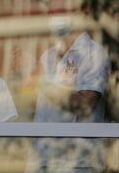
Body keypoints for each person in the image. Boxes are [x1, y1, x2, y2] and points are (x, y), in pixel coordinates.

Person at [27, 16, 111, 173]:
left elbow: (85, 105)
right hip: (43, 160)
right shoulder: (49, 56)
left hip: (75, 163)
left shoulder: (93, 54)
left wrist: (41, 83)